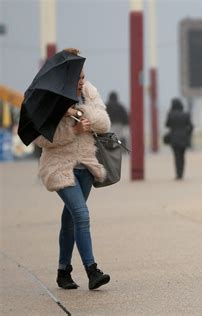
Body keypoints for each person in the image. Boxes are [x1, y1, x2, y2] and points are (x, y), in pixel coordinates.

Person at [34, 48, 112, 289]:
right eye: (76, 79)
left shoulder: (89, 92)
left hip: (86, 166)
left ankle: (63, 271)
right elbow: (41, 139)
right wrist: (72, 130)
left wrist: (83, 114)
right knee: (81, 215)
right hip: (60, 167)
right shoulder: (48, 100)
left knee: (70, 219)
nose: (81, 82)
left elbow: (104, 122)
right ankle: (92, 270)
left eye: (82, 77)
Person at [165, 98, 193, 180]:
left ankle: (178, 174)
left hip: (174, 138)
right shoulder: (186, 114)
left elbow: (167, 125)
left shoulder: (170, 114)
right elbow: (191, 126)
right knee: (182, 156)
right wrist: (187, 133)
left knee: (176, 156)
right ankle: (181, 173)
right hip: (184, 138)